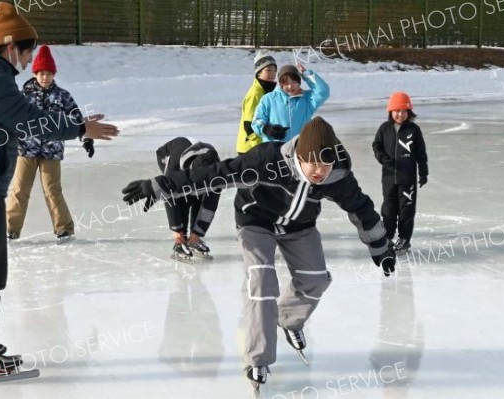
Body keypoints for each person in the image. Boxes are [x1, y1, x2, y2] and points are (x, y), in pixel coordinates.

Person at [122, 117, 396, 393]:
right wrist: (160, 186)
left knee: (316, 280)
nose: (319, 172)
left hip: (299, 227)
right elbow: (214, 174)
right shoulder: (267, 160)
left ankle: (289, 319)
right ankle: (257, 359)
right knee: (261, 282)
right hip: (256, 221)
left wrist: (381, 248)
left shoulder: (337, 175)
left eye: (325, 165)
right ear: (299, 155)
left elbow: (362, 209)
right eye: (313, 164)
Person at [0, 2, 118, 376]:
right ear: (10, 47)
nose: (30, 57)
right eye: (28, 49)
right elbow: (31, 122)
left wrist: (75, 124)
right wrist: (80, 128)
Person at [6, 44, 93, 244]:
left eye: (49, 73)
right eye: (41, 73)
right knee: (19, 189)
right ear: (35, 72)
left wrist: (86, 138)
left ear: (54, 74)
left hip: (52, 150)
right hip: (26, 149)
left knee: (53, 189)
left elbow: (76, 119)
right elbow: (12, 119)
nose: (45, 77)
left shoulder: (63, 96)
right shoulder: (23, 94)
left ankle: (64, 228)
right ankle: (10, 229)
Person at [372, 92, 428, 255]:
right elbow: (376, 145)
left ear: (409, 113)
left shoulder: (414, 130)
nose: (400, 114)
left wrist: (423, 172)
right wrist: (382, 158)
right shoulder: (384, 128)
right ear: (390, 111)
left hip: (407, 178)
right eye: (396, 111)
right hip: (389, 178)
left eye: (403, 111)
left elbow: (421, 152)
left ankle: (404, 239)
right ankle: (388, 237)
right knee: (388, 210)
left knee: (406, 210)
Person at [155, 137, 221, 261]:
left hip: (194, 165)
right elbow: (169, 195)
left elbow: (211, 203)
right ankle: (180, 242)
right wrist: (177, 229)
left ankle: (193, 239)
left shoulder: (218, 171)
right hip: (166, 157)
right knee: (183, 198)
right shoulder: (176, 164)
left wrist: (198, 231)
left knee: (199, 196)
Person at [251, 63, 329, 143]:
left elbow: (323, 92)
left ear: (299, 82)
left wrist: (307, 75)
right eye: (286, 83)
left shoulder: (307, 99)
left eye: (294, 82)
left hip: (299, 148)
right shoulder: (268, 99)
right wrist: (267, 129)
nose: (290, 86)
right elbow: (256, 121)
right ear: (280, 84)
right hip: (275, 150)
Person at [236, 51, 277, 154]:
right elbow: (248, 124)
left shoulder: (266, 91)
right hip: (250, 149)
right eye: (268, 70)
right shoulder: (255, 94)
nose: (272, 74)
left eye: (274, 70)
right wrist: (258, 149)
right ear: (259, 72)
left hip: (260, 145)